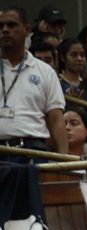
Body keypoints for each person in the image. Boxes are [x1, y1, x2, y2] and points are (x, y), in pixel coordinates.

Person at [0, 6, 66, 158]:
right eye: (0, 26)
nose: (4, 30)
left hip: (32, 152)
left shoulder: (45, 71)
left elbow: (56, 119)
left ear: (27, 30)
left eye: (11, 25)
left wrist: (65, 163)